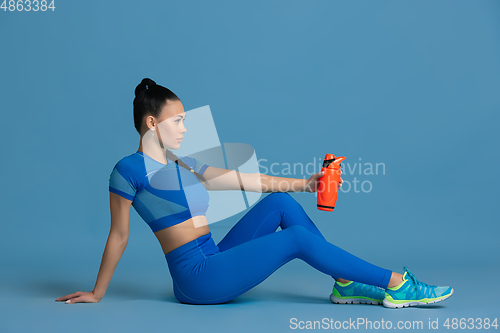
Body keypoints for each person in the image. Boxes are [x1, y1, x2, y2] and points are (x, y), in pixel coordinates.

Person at [55, 78, 453, 308]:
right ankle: (397, 284)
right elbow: (119, 235)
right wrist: (98, 292)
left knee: (280, 203)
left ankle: (345, 283)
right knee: (296, 239)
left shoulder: (183, 162)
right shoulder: (127, 171)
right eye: (178, 120)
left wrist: (304, 184)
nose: (184, 127)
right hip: (197, 279)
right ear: (151, 123)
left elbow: (245, 180)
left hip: (215, 255)